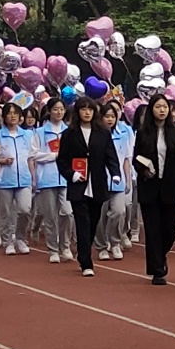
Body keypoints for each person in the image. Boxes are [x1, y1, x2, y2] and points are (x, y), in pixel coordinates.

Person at [57, 102, 118, 277]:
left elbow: (110, 156)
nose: (87, 112)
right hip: (78, 185)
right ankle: (86, 262)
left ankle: (83, 250)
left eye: (90, 109)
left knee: (93, 222)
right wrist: (72, 175)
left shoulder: (103, 133)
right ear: (77, 112)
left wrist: (115, 173)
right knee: (82, 222)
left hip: (97, 184)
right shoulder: (69, 134)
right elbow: (62, 160)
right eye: (83, 109)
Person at [133, 94, 175, 285]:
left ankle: (160, 255)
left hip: (170, 187)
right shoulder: (143, 133)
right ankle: (157, 270)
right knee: (153, 229)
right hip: (150, 187)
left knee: (170, 228)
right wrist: (144, 170)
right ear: (151, 110)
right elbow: (136, 158)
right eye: (158, 107)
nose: (162, 110)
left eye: (165, 107)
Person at [31, 98, 72, 263]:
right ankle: (53, 249)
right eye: (55, 109)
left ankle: (65, 245)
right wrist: (53, 156)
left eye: (61, 109)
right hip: (47, 178)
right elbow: (34, 154)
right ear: (49, 111)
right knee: (50, 216)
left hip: (67, 178)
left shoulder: (69, 131)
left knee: (67, 212)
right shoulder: (40, 132)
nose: (59, 112)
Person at [0, 101, 35, 256]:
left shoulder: (28, 135)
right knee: (6, 212)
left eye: (15, 113)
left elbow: (31, 157)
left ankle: (21, 238)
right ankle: (8, 241)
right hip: (5, 180)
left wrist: (33, 177)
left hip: (24, 178)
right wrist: (2, 161)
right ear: (4, 116)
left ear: (20, 116)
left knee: (25, 209)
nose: (12, 116)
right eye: (9, 113)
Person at [96, 100, 135, 261]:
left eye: (113, 116)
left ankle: (115, 242)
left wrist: (127, 179)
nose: (110, 119)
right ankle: (101, 246)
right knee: (100, 215)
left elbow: (126, 159)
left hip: (118, 180)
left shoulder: (122, 135)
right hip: (100, 181)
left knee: (119, 211)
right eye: (107, 116)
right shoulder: (96, 136)